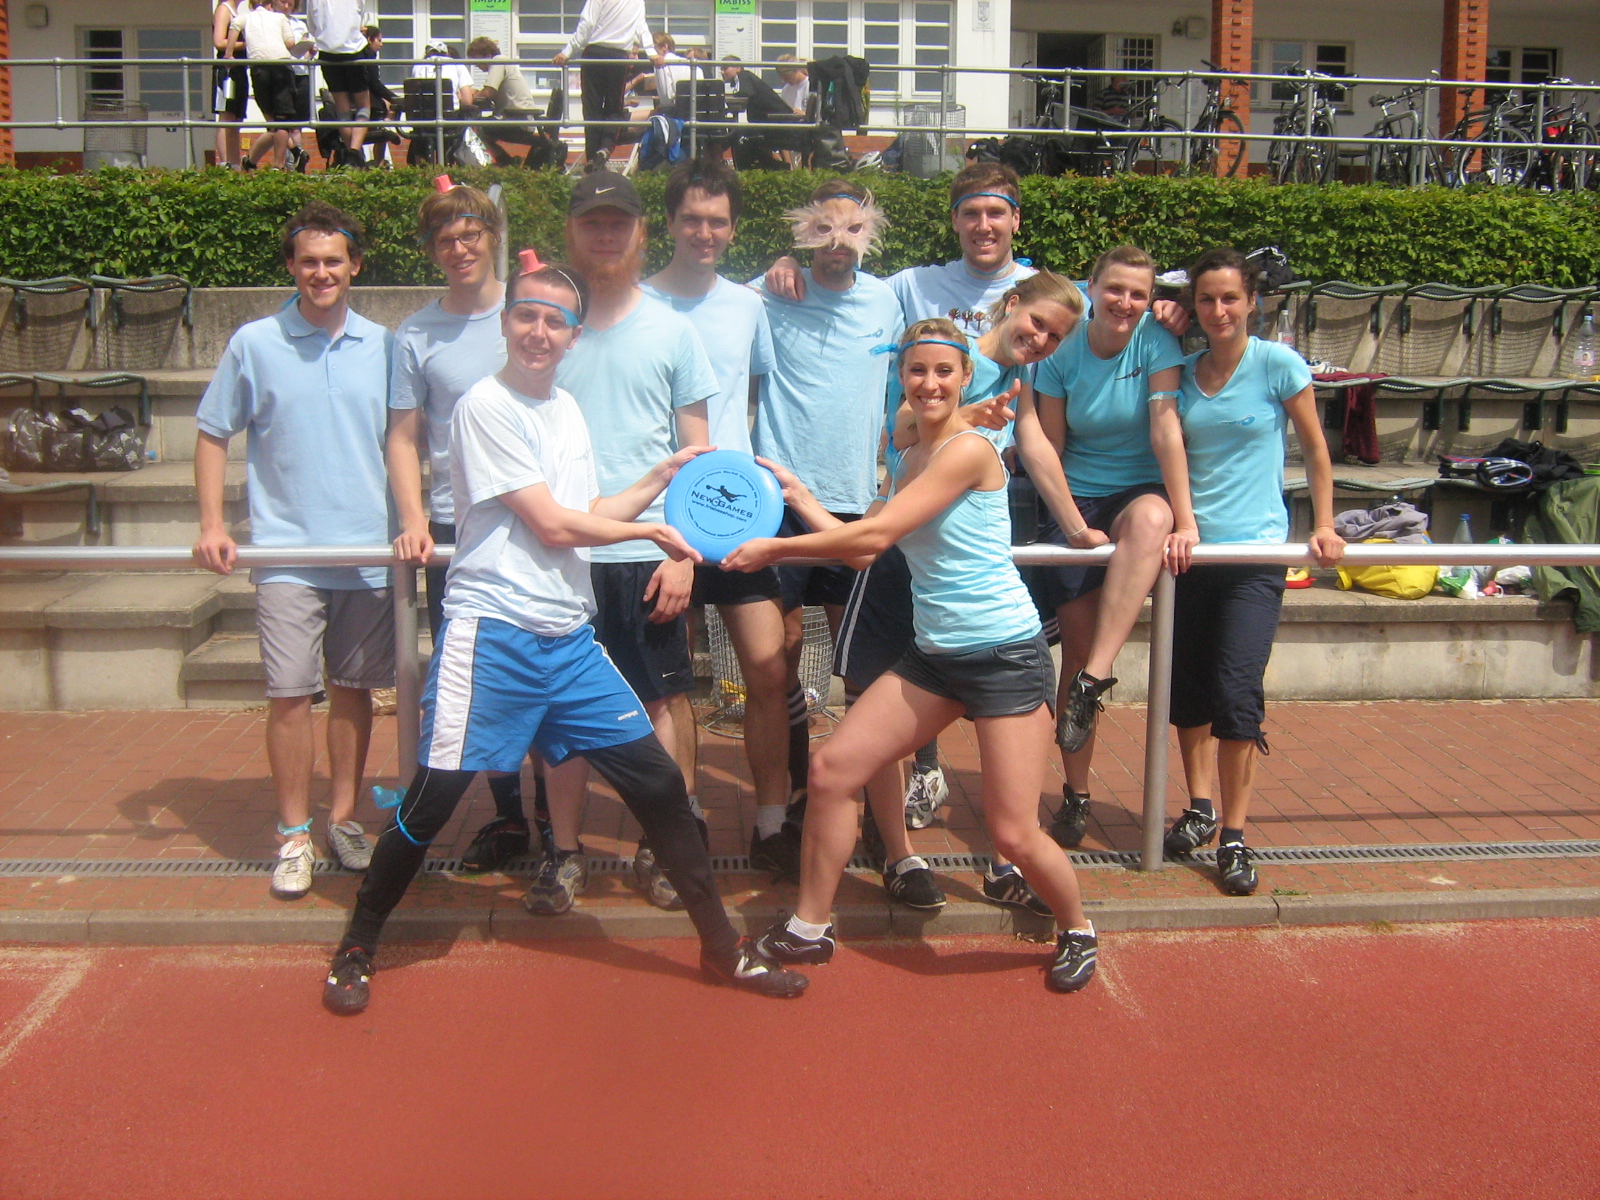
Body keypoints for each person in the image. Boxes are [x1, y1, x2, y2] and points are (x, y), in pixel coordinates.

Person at [320, 259, 808, 1015]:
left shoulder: (567, 410)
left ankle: (722, 949)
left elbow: (588, 508)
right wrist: (649, 531)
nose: (539, 331)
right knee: (433, 800)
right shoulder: (485, 406)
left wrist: (659, 480)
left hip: (568, 641)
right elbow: (551, 525)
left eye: (556, 321)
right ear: (506, 323)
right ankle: (357, 944)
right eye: (527, 315)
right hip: (494, 637)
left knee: (660, 788)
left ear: (573, 336)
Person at [724, 320, 1100, 994]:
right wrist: (800, 498)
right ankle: (810, 926)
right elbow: (864, 550)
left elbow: (873, 535)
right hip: (935, 657)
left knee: (1012, 835)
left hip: (1005, 656)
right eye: (917, 371)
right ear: (901, 378)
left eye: (943, 372)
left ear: (965, 378)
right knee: (833, 770)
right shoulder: (908, 456)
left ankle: (1078, 927)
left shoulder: (969, 450)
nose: (929, 384)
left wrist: (773, 549)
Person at [766, 162, 1039, 832]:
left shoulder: (1031, 288)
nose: (839, 240)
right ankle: (828, 802)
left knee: (888, 662)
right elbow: (836, 277)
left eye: (996, 212)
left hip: (928, 503)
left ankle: (916, 806)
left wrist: (1166, 309)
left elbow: (1099, 306)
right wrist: (783, 262)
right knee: (817, 666)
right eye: (971, 212)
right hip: (876, 485)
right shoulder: (904, 287)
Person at [192, 202, 394, 900]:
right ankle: (293, 834)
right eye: (308, 261)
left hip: (368, 550)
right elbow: (213, 432)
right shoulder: (255, 343)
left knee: (353, 691)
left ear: (354, 265)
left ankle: (342, 819)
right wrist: (213, 524)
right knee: (288, 695)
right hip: (283, 552)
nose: (321, 272)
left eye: (333, 260)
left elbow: (403, 441)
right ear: (291, 266)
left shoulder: (384, 345)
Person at [864, 271, 1083, 911]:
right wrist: (961, 414)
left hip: (952, 568)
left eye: (1056, 337)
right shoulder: (943, 356)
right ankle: (899, 853)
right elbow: (902, 429)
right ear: (1012, 305)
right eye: (1037, 324)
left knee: (991, 724)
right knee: (877, 710)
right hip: (902, 551)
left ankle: (1005, 861)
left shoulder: (1020, 378)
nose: (1041, 340)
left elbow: (1034, 447)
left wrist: (1075, 527)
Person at [543, 171, 718, 912]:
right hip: (563, 554)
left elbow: (696, 458)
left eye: (619, 223)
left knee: (661, 704)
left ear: (642, 232)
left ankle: (664, 846)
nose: (606, 235)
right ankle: (563, 854)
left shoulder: (674, 331)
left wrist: (683, 557)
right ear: (572, 232)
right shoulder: (549, 331)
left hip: (647, 555)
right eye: (593, 223)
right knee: (561, 710)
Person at [1157, 247, 1344, 896]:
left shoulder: (1277, 364)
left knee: (1237, 694)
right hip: (1190, 553)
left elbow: (1316, 450)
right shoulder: (1181, 371)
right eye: (1206, 299)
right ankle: (1199, 807)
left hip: (1255, 557)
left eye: (1230, 298)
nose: (1219, 311)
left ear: (1252, 302)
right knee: (1187, 691)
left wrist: (1325, 523)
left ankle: (1234, 835)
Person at [387, 182, 554, 874]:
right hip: (460, 530)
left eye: (470, 235)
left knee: (544, 668)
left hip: (539, 521)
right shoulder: (415, 334)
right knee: (478, 681)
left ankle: (556, 822)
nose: (458, 249)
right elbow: (403, 437)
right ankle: (510, 817)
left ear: (492, 238)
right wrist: (413, 520)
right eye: (444, 240)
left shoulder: (530, 313)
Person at [640, 160, 785, 909]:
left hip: (736, 517)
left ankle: (773, 823)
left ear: (733, 229)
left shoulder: (749, 306)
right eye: (692, 219)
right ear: (669, 222)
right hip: (661, 525)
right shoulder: (636, 303)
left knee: (768, 668)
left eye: (718, 221)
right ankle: (681, 823)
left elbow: (748, 401)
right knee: (671, 685)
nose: (704, 232)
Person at [752, 179, 905, 885]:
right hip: (780, 498)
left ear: (871, 233)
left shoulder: (889, 299)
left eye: (852, 228)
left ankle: (875, 806)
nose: (838, 242)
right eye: (823, 228)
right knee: (777, 658)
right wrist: (777, 264)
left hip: (855, 504)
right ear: (801, 230)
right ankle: (789, 806)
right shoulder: (769, 291)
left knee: (864, 667)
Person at [1016, 245, 1193, 851]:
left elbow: (1165, 427)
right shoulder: (1062, 349)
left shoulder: (1157, 341)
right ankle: (1076, 794)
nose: (1125, 302)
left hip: (1137, 490)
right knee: (1072, 654)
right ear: (1091, 287)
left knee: (1153, 517)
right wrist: (1069, 523)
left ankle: (1097, 677)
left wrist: (1186, 518)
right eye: (1114, 289)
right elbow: (1052, 447)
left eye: (1138, 294)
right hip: (1079, 496)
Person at [551, 0, 653, 170]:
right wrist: (652, 53)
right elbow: (641, 27)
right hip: (618, 57)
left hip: (594, 54)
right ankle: (605, 148)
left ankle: (592, 157)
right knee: (614, 108)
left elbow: (587, 23)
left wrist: (567, 52)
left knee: (592, 108)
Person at [242, 0, 312, 171]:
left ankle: (290, 163)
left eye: (291, 4)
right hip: (278, 71)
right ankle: (291, 157)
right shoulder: (267, 20)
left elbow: (303, 51)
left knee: (290, 125)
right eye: (283, 2)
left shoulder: (299, 24)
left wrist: (308, 51)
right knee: (277, 124)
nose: (286, 6)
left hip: (299, 74)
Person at [305, 0, 371, 167]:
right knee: (364, 105)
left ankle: (351, 154)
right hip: (354, 50)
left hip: (328, 52)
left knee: (342, 107)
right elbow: (361, 15)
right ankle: (354, 152)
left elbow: (312, 25)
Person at [467, 37, 546, 166]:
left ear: (488, 55)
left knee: (475, 129)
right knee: (482, 130)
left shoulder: (498, 62)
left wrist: (471, 96)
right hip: (520, 118)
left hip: (516, 121)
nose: (476, 65)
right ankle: (507, 162)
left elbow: (488, 93)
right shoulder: (502, 62)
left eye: (477, 60)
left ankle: (506, 163)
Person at [212, 0, 250, 169]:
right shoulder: (224, 9)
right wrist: (247, 43)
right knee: (226, 115)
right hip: (227, 70)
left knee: (236, 118)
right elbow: (219, 42)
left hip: (240, 68)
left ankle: (235, 163)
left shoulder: (237, 12)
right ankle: (225, 162)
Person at [357, 24, 401, 166]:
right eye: (379, 40)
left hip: (360, 99)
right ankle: (379, 161)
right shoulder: (368, 56)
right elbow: (374, 83)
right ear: (370, 39)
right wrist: (394, 98)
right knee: (385, 110)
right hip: (367, 102)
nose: (381, 44)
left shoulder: (359, 54)